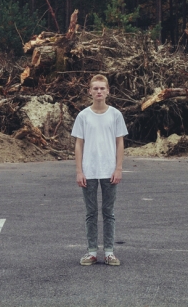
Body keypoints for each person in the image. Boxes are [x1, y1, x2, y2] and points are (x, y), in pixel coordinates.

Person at [71, 74, 128, 266]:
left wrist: (118, 168)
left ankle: (109, 252)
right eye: (95, 88)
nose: (99, 92)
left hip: (109, 171)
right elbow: (79, 144)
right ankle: (92, 252)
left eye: (102, 88)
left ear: (108, 91)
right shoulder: (83, 116)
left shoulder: (115, 115)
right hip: (89, 171)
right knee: (91, 212)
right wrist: (79, 171)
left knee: (108, 212)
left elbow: (120, 143)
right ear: (89, 91)